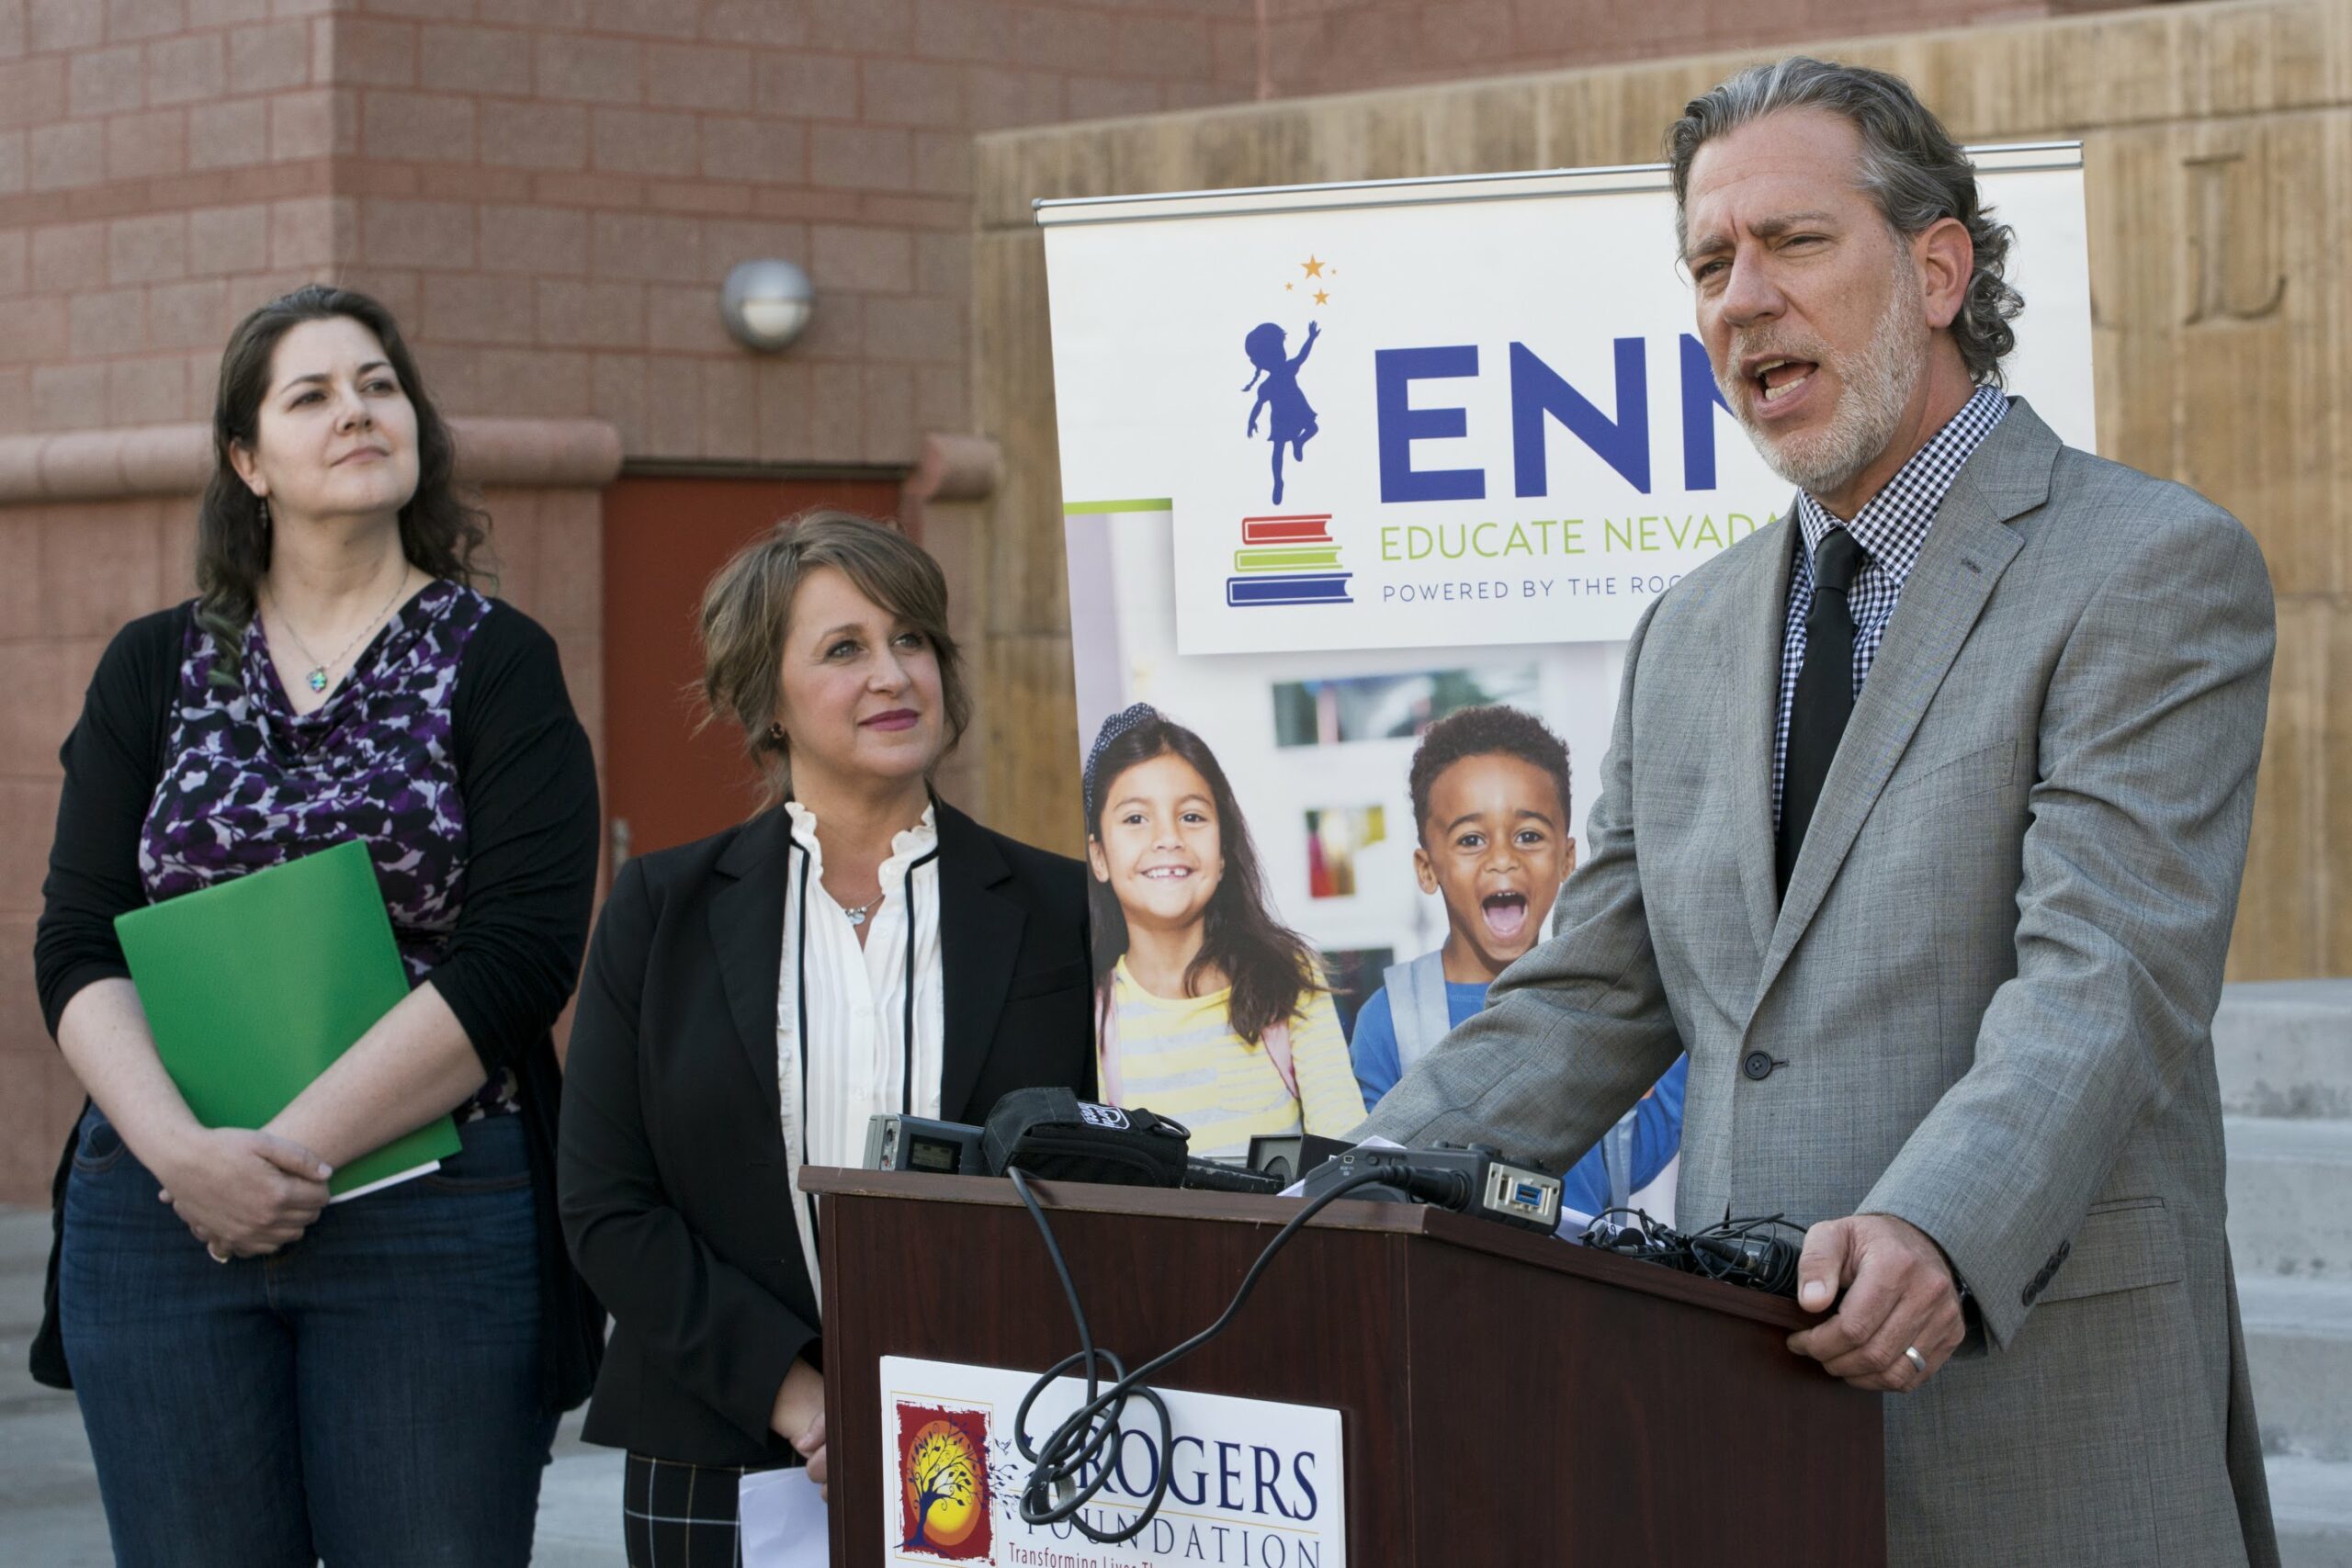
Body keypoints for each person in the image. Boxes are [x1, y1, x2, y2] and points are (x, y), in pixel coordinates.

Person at [1358, 58, 2278, 1566]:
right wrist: (1345, 1186)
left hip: (2036, 1420)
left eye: (1792, 242)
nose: (1740, 298)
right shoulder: (1691, 630)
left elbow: (2103, 980)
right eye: (1710, 262)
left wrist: (1934, 1230)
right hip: (1740, 1427)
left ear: (1935, 269)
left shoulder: (2147, 567)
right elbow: (1594, 992)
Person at [30, 284, 604, 1566]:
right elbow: (78, 940)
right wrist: (186, 1155)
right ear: (248, 460)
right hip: (163, 1210)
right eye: (313, 393)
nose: (358, 410)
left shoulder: (496, 659)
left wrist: (283, 1156)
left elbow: (518, 957)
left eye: (379, 385)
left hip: (430, 1212)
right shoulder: (152, 664)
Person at [558, 511, 1096, 1567]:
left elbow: (1107, 1184)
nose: (893, 675)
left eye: (913, 640)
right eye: (844, 649)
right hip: (723, 1448)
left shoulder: (1063, 912)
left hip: (1007, 1436)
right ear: (763, 700)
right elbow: (606, 1205)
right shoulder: (660, 909)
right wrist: (801, 1397)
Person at [1349, 705, 1686, 1217]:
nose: (1502, 859)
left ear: (1569, 860)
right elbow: (1376, 1186)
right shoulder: (1388, 1018)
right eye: (1471, 839)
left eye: (1529, 836)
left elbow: (1628, 1161)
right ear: (1427, 867)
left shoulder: (1609, 1011)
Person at [1084, 704, 1365, 1157]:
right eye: (1136, 818)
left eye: (1192, 816)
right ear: (1099, 857)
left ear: (1221, 853)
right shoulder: (1091, 1014)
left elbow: (1346, 1154)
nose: (1168, 838)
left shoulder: (1288, 978)